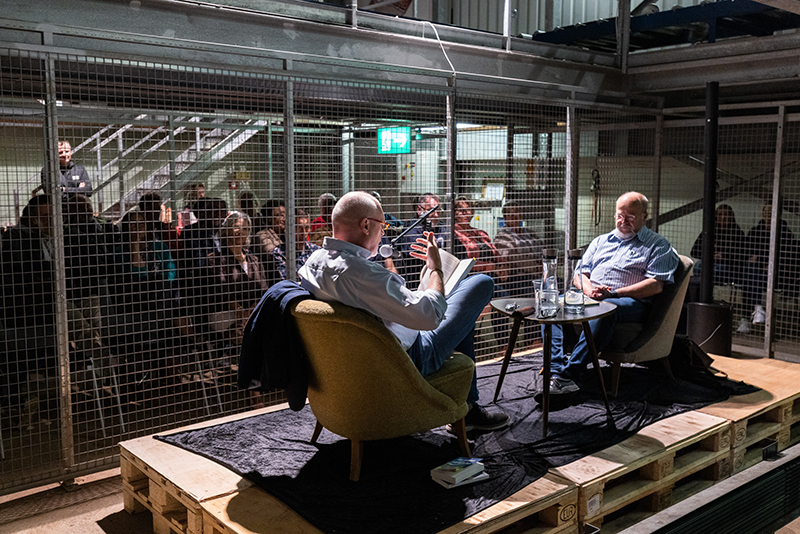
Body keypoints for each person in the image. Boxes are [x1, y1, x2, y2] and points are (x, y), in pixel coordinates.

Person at [298, 191, 509, 431]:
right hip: (408, 358)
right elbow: (430, 316)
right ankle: (468, 409)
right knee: (481, 282)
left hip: (356, 362)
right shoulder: (363, 275)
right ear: (366, 225)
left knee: (461, 318)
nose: (383, 232)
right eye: (382, 225)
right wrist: (436, 269)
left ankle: (468, 407)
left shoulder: (313, 262)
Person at [538, 192, 679, 402]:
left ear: (644, 216)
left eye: (630, 217)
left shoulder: (658, 245)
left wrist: (613, 293)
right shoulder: (600, 241)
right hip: (592, 295)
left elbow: (656, 285)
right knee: (549, 304)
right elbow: (580, 275)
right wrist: (589, 290)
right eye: (620, 216)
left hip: (629, 301)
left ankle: (571, 373)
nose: (623, 221)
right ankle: (556, 370)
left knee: (607, 307)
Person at [203, 211, 268, 347]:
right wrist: (240, 312)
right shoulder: (215, 260)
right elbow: (221, 289)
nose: (240, 232)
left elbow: (263, 289)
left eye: (245, 228)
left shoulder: (255, 260)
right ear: (227, 230)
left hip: (253, 311)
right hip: (224, 311)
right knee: (242, 332)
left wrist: (253, 310)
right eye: (236, 227)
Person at [689, 204, 748, 332]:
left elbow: (742, 256)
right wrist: (709, 255)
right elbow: (694, 251)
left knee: (712, 270)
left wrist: (724, 256)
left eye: (726, 214)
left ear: (731, 217)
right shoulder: (709, 231)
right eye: (720, 214)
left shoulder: (738, 233)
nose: (723, 217)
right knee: (699, 265)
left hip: (728, 268)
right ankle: (699, 301)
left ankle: (706, 298)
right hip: (710, 263)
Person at [740, 201, 796, 331]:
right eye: (766, 214)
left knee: (750, 275)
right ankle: (757, 309)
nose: (768, 217)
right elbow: (746, 254)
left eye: (771, 214)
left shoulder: (785, 233)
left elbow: (785, 256)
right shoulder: (755, 231)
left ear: (779, 215)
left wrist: (761, 260)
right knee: (750, 272)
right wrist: (763, 261)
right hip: (757, 272)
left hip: (777, 274)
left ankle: (746, 318)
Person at [494, 200, 544, 298]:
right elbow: (510, 258)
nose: (513, 216)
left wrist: (542, 262)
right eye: (509, 214)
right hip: (518, 277)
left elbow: (542, 248)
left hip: (537, 275)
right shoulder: (503, 236)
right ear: (505, 217)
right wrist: (535, 265)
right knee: (533, 294)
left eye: (516, 212)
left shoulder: (529, 233)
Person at [397, 192, 443, 288]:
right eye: (431, 210)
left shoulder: (443, 227)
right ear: (419, 210)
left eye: (438, 211)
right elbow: (415, 253)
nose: (436, 215)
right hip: (416, 283)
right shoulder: (411, 229)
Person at [273, 208, 320, 282]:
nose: (304, 233)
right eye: (299, 228)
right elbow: (285, 280)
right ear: (289, 229)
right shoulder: (279, 253)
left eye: (306, 228)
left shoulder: (316, 250)